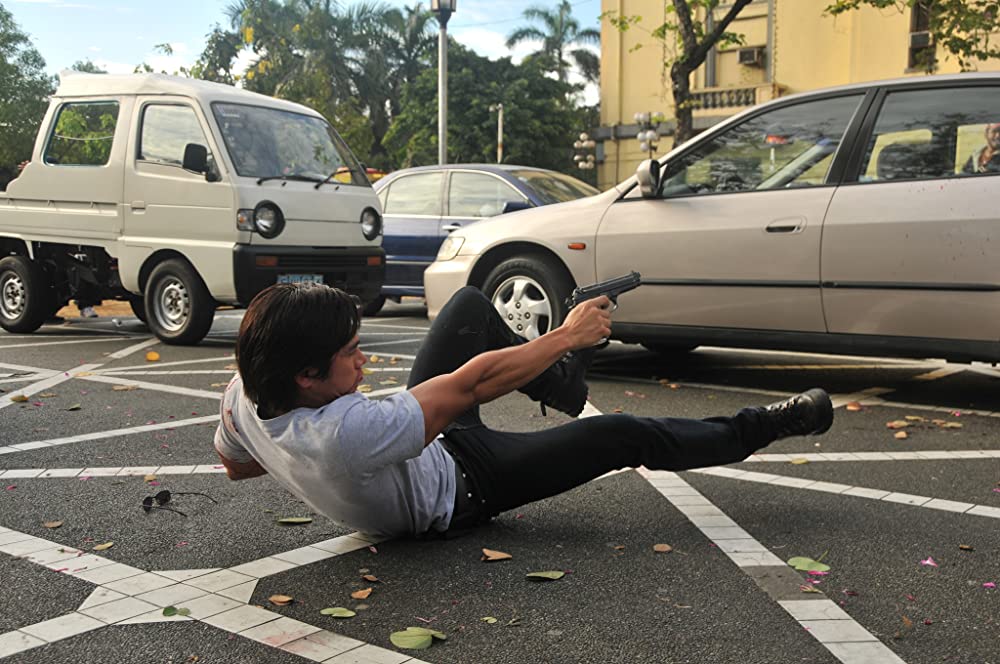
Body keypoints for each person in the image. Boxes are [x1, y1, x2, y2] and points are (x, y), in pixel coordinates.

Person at [214, 284, 834, 538]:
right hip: (465, 486)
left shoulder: (245, 396)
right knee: (620, 434)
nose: (364, 363)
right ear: (304, 375)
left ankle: (564, 388)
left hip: (417, 442)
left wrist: (302, 465)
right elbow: (472, 386)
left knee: (467, 306)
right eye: (350, 355)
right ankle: (774, 422)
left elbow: (236, 466)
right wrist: (567, 335)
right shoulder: (349, 434)